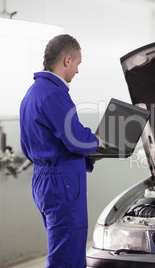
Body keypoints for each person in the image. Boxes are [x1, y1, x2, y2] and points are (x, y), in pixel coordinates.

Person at [20, 34, 103, 268]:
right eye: (78, 64)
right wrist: (98, 141)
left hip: (45, 180)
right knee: (67, 257)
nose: (77, 70)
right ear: (67, 60)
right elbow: (76, 138)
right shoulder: (55, 94)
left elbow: (47, 142)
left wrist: (90, 154)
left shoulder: (34, 92)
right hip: (62, 183)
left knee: (64, 249)